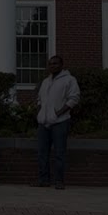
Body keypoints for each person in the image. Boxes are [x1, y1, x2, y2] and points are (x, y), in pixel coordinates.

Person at [34, 55, 80, 190]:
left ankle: (59, 181)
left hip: (60, 122)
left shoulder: (69, 80)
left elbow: (74, 98)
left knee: (59, 153)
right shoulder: (45, 82)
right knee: (42, 153)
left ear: (61, 65)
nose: (52, 66)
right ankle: (43, 180)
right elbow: (40, 100)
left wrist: (57, 113)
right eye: (50, 64)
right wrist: (39, 112)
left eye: (55, 63)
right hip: (43, 123)